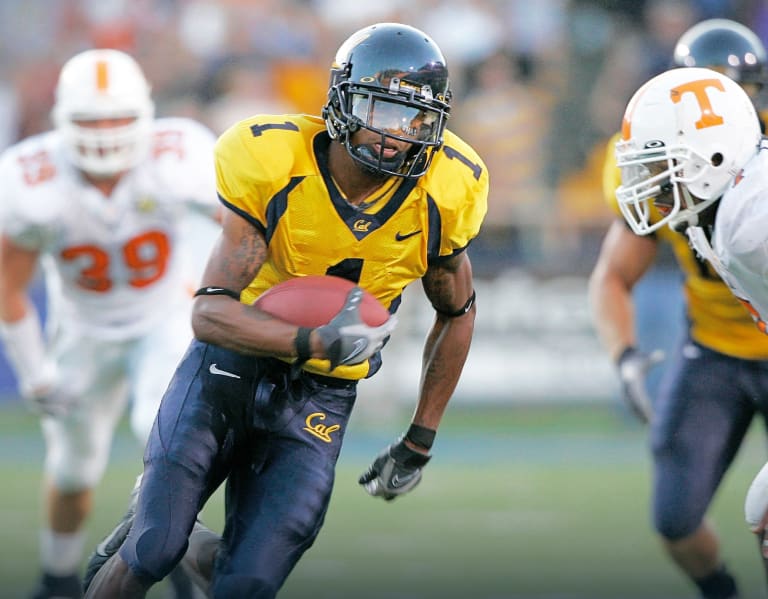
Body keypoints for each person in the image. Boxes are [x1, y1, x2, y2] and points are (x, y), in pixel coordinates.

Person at [82, 21, 488, 599]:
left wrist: (419, 440)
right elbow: (210, 314)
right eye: (383, 111)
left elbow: (459, 310)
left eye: (416, 121)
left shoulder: (449, 190)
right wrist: (312, 340)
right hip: (228, 366)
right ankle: (156, 532)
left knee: (244, 584)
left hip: (321, 397)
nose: (398, 137)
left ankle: (181, 538)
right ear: (343, 103)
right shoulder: (273, 159)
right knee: (153, 547)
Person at [0, 49, 220, 599]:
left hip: (164, 316)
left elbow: (242, 225)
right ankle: (56, 578)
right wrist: (34, 373)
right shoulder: (32, 178)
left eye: (117, 119)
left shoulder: (178, 154)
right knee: (74, 471)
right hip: (82, 330)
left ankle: (175, 564)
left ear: (144, 114)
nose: (105, 134)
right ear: (63, 120)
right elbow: (9, 286)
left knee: (163, 438)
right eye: (92, 120)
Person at [588, 19, 768, 599]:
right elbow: (612, 276)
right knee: (675, 518)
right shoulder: (659, 164)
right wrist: (624, 357)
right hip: (716, 347)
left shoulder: (753, 210)